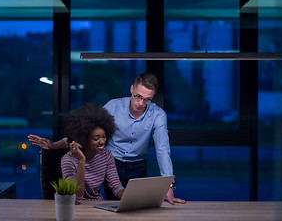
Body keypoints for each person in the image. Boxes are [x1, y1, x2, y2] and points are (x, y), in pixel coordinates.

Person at [29, 72, 186, 205]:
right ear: (132, 89)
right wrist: (55, 145)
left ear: (152, 98)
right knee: (113, 209)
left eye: (146, 99)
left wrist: (169, 185)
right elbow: (87, 131)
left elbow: (162, 149)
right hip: (112, 162)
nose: (140, 103)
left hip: (138, 166)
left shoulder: (158, 115)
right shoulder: (113, 106)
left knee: (137, 209)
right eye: (137, 96)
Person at [31, 104, 124, 204]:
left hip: (97, 207)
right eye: (96, 138)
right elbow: (76, 199)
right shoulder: (68, 160)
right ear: (84, 138)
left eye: (104, 137)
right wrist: (81, 160)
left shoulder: (106, 155)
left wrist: (130, 197)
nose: (102, 142)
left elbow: (116, 187)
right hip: (73, 209)